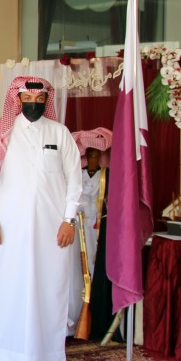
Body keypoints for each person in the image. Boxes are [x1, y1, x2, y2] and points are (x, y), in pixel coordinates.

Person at [0, 76, 82, 361]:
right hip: (6, 228)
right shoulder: (0, 134)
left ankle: (42, 356)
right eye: (28, 99)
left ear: (46, 101)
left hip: (52, 230)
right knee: (5, 288)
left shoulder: (59, 133)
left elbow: (74, 181)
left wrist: (69, 220)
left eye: (39, 100)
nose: (33, 104)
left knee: (47, 288)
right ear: (18, 100)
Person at [70, 128, 112, 336]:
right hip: (78, 226)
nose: (94, 160)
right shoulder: (78, 175)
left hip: (96, 227)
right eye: (91, 156)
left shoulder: (106, 176)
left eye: (97, 156)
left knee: (94, 264)